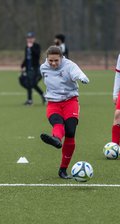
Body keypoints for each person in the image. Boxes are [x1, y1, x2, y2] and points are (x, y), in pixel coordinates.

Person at [39, 46, 89, 179]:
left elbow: (77, 72)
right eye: (51, 61)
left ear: (62, 58)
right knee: (57, 122)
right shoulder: (43, 68)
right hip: (53, 103)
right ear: (47, 59)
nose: (53, 63)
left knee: (71, 132)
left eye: (56, 60)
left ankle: (63, 169)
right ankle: (56, 139)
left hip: (70, 102)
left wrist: (82, 77)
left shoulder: (69, 66)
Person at [21, 32, 46, 106]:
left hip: (35, 69)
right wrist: (22, 66)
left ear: (34, 39)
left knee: (32, 84)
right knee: (30, 84)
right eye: (28, 38)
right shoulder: (26, 47)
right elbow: (26, 58)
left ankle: (32, 99)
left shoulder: (36, 46)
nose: (29, 40)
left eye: (31, 38)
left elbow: (37, 55)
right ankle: (31, 100)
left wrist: (31, 47)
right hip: (28, 69)